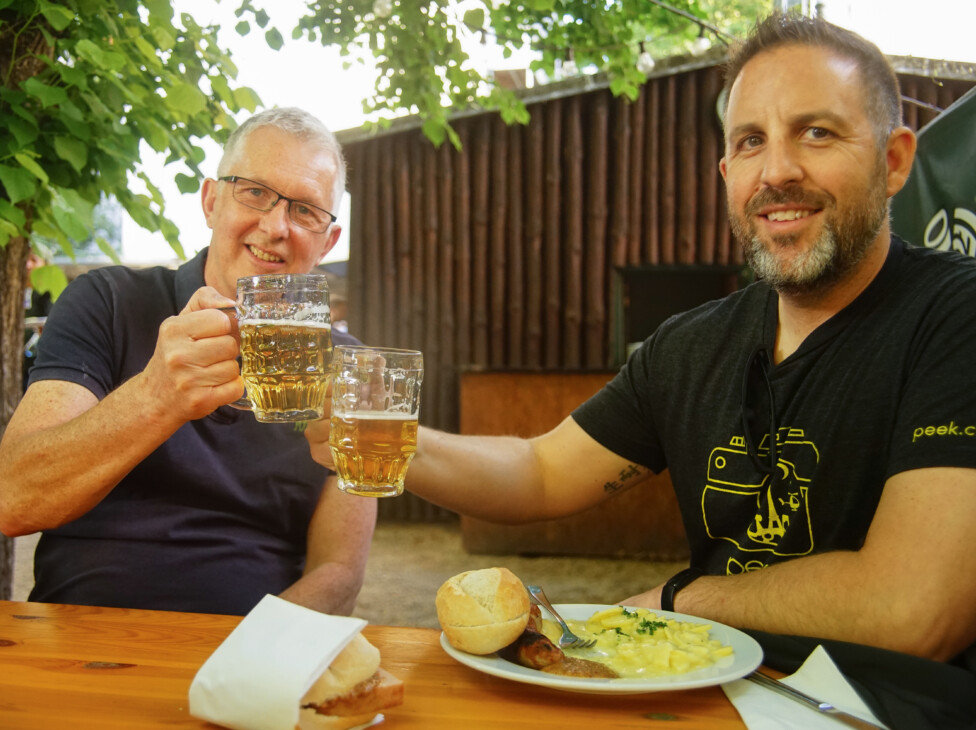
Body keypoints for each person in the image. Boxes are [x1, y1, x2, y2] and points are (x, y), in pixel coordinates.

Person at [306, 14, 976, 665]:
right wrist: (383, 435)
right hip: (702, 702)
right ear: (726, 176)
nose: (776, 171)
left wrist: (683, 597)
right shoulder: (691, 348)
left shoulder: (956, 316)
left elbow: (915, 609)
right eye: (749, 141)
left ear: (893, 162)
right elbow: (540, 473)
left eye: (817, 133)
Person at [0, 108, 377, 616]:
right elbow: (15, 501)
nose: (275, 225)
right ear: (212, 201)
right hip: (85, 639)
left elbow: (339, 573)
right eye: (255, 192)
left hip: (251, 656)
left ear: (328, 241)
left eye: (305, 210)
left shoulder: (349, 366)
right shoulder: (107, 301)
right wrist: (156, 397)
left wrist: (244, 664)